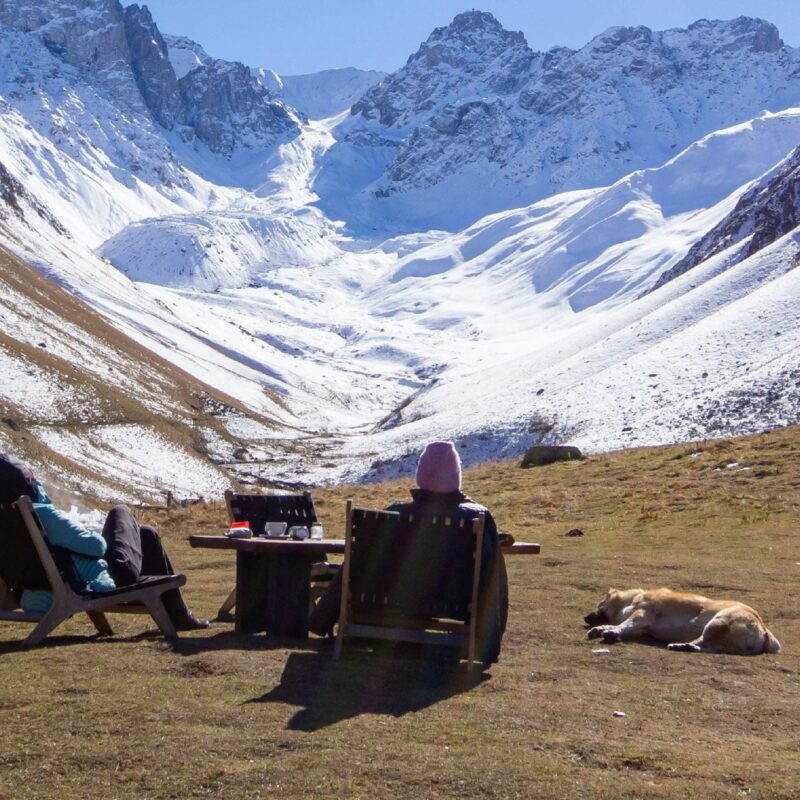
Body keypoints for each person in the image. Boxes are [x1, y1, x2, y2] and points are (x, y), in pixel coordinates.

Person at [309, 441, 508, 664]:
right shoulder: (477, 518)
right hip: (452, 602)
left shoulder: (391, 515)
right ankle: (483, 645)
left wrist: (323, 617)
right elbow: (492, 580)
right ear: (456, 477)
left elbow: (356, 566)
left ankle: (322, 621)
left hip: (391, 600)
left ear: (421, 475)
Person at [0, 454, 208, 631]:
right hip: (104, 578)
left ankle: (178, 614)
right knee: (121, 511)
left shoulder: (7, 523)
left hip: (44, 586)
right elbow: (95, 547)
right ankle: (177, 613)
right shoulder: (39, 514)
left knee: (146, 534)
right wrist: (92, 534)